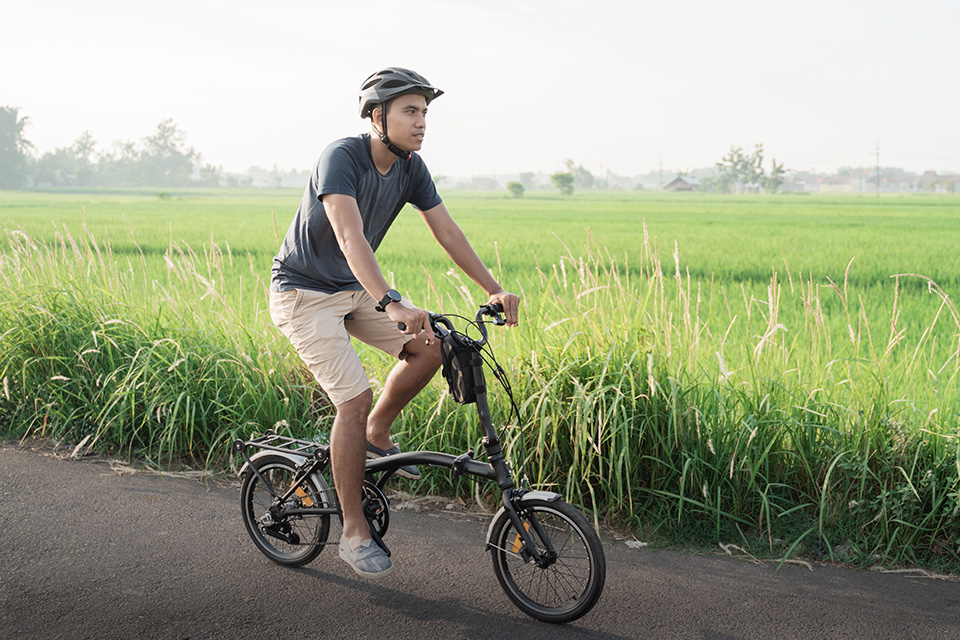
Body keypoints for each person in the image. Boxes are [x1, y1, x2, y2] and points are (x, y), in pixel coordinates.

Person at [269, 67, 521, 579]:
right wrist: (391, 302)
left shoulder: (412, 168)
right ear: (377, 116)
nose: (422, 122)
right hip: (303, 293)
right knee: (352, 399)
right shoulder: (341, 156)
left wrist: (492, 287)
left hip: (354, 289)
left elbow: (446, 231)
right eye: (411, 111)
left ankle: (377, 431)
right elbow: (349, 234)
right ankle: (353, 531)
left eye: (425, 112)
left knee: (431, 347)